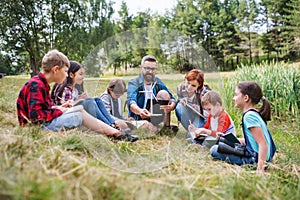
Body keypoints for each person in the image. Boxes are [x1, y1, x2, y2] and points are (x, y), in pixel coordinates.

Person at [16, 49, 133, 141]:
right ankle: (115, 132)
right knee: (79, 115)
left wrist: (60, 108)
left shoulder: (42, 84)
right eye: (65, 71)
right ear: (56, 69)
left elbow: (43, 109)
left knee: (80, 109)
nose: (66, 75)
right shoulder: (37, 85)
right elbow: (36, 117)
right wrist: (61, 111)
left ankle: (115, 132)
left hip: (42, 124)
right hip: (37, 129)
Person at [210, 81, 276, 172]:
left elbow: (262, 143)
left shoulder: (249, 117)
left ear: (246, 98)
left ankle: (259, 165)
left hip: (254, 159)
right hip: (258, 155)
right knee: (221, 142)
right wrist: (229, 139)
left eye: (236, 95)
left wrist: (260, 169)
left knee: (214, 149)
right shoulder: (253, 114)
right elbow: (253, 141)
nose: (233, 98)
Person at [51, 61, 121, 130]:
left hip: (74, 110)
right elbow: (65, 108)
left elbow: (73, 102)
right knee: (89, 101)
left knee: (97, 100)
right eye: (80, 74)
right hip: (64, 115)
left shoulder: (74, 90)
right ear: (71, 75)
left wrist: (81, 99)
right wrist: (80, 99)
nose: (83, 77)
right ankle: (108, 126)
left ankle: (112, 123)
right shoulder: (65, 89)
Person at [126, 55, 177, 130]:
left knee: (164, 93)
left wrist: (171, 106)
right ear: (141, 68)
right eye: (147, 68)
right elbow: (131, 102)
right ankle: (145, 126)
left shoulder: (157, 82)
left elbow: (172, 98)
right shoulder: (134, 83)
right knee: (149, 128)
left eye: (153, 69)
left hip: (155, 116)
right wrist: (140, 111)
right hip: (140, 116)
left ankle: (166, 127)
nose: (150, 71)